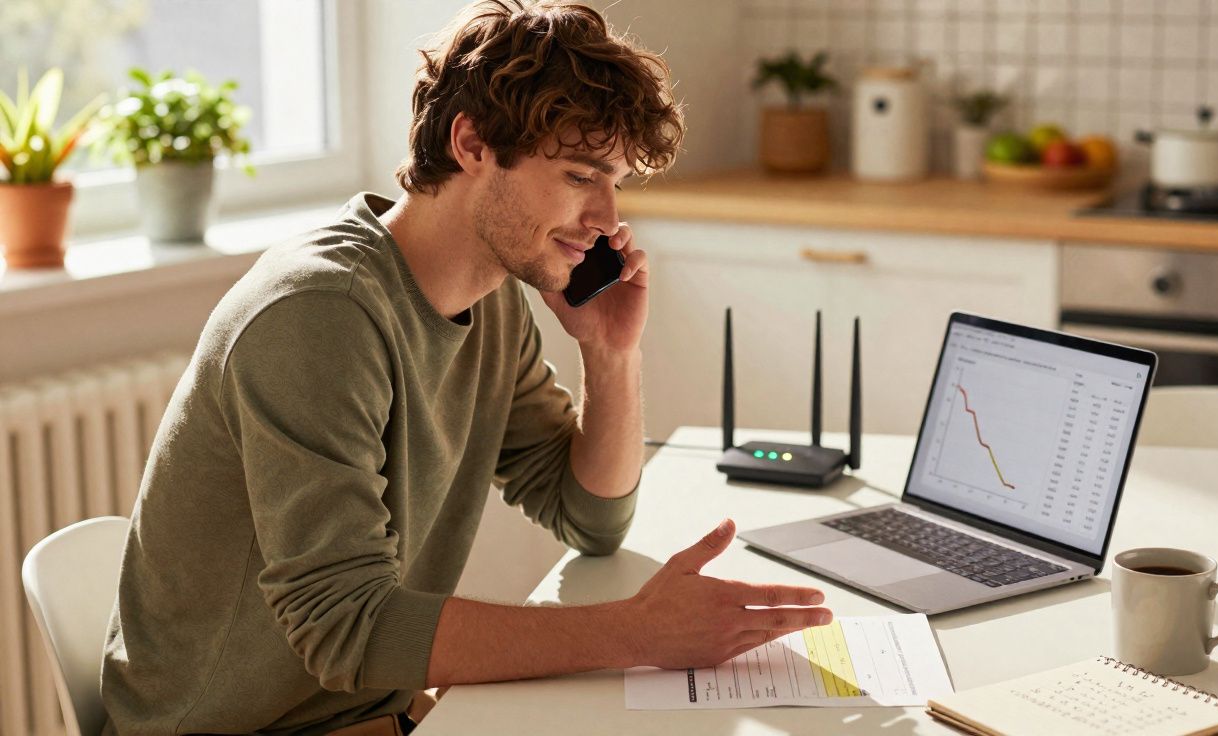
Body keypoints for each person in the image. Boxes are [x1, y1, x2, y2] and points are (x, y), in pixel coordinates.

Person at [100, 2, 832, 733]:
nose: (609, 217)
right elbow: (346, 629)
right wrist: (639, 631)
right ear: (473, 142)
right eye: (582, 175)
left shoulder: (492, 299)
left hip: (363, 712)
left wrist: (609, 354)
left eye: (615, 183)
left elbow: (590, 517)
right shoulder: (320, 313)